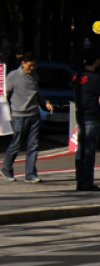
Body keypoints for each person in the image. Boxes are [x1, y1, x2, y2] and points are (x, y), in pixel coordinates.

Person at [3, 51, 53, 183]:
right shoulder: (13, 76)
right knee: (16, 144)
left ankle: (30, 174)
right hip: (18, 116)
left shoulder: (34, 77)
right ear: (23, 64)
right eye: (30, 65)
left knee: (33, 145)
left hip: (34, 115)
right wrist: (6, 114)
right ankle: (6, 168)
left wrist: (45, 103)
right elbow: (5, 96)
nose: (32, 68)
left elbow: (36, 93)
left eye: (34, 65)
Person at [72, 53, 100, 191]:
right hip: (91, 115)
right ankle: (87, 182)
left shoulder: (78, 76)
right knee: (89, 150)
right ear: (97, 61)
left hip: (80, 114)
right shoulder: (94, 78)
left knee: (80, 149)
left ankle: (80, 179)